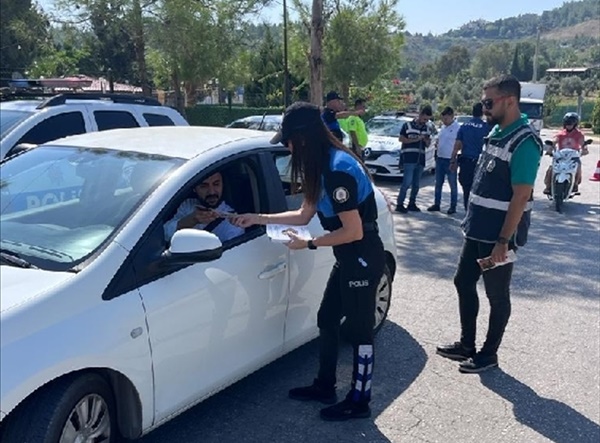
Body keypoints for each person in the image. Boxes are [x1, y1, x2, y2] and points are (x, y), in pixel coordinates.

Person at [232, 102, 385, 421]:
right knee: (327, 319)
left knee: (359, 332)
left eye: (287, 142)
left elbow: (353, 231)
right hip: (348, 255)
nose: (286, 149)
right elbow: (304, 215)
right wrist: (255, 218)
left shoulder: (337, 168)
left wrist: (311, 243)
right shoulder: (320, 166)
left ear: (301, 140)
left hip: (360, 254)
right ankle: (325, 385)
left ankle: (360, 400)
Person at [436, 75, 543, 373]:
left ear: (509, 101)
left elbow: (521, 195)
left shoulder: (525, 141)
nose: (484, 107)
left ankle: (488, 354)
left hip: (498, 234)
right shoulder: (496, 130)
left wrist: (503, 241)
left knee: (497, 295)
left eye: (488, 102)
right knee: (463, 281)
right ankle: (466, 345)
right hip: (477, 227)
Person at [163, 171, 244, 242]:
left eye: (216, 184)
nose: (212, 192)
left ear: (223, 185)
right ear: (195, 188)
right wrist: (189, 221)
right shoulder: (188, 205)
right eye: (204, 186)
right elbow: (163, 235)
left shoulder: (233, 222)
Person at [450, 103, 491, 210]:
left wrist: (452, 161)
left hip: (466, 162)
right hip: (480, 163)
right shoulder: (486, 127)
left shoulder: (464, 126)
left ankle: (467, 209)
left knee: (466, 188)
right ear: (482, 112)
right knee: (479, 189)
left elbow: (457, 146)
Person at [395, 104, 433, 213]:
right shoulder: (407, 125)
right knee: (406, 182)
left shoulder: (427, 128)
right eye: (425, 118)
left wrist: (426, 141)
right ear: (420, 115)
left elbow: (428, 144)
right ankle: (400, 204)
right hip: (409, 158)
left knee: (416, 184)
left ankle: (412, 203)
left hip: (420, 159)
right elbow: (401, 139)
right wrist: (416, 139)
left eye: (428, 119)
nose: (425, 121)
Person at [543, 112, 586, 195]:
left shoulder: (579, 134)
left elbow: (582, 144)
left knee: (578, 167)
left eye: (571, 124)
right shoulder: (561, 134)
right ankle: (548, 186)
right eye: (567, 124)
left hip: (573, 157)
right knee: (551, 169)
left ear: (575, 124)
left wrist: (584, 149)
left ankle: (575, 185)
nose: (568, 126)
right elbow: (554, 141)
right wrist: (550, 149)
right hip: (561, 156)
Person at [428, 106, 459, 214]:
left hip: (450, 160)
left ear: (451, 117)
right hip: (440, 158)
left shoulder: (457, 128)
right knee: (438, 184)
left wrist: (454, 159)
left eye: (446, 119)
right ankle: (437, 204)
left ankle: (453, 206)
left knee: (452, 185)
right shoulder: (443, 128)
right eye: (442, 119)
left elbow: (459, 145)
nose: (444, 121)